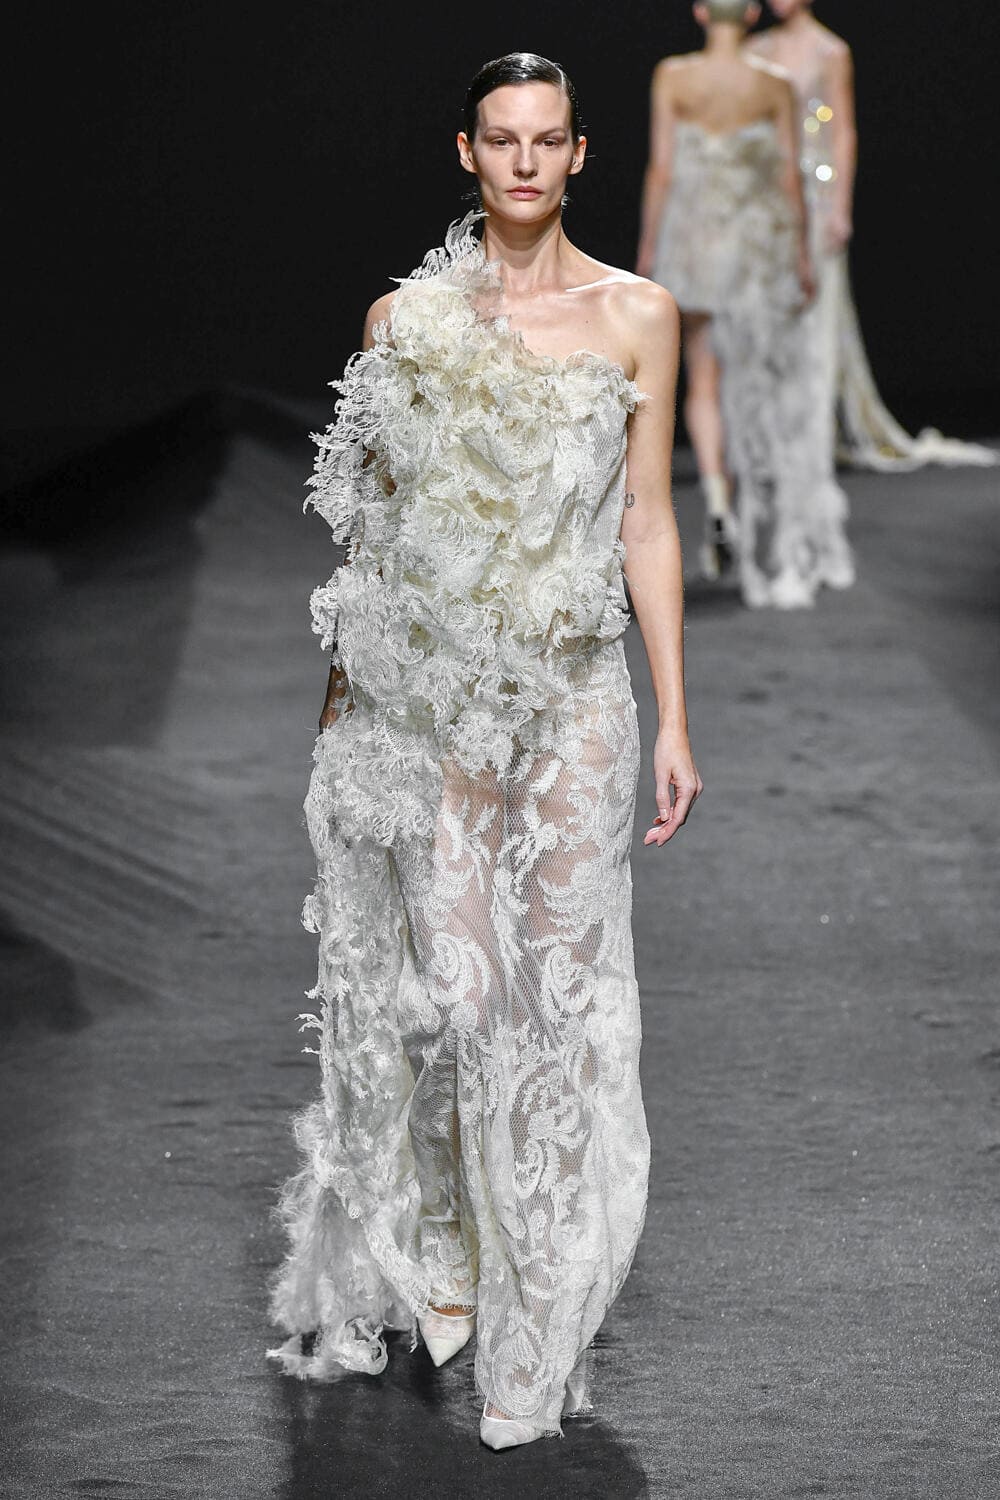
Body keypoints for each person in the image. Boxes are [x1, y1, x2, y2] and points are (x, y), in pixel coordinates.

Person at [266, 53, 702, 1451]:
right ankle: (453, 1256)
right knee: (459, 996)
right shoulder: (406, 323)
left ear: (578, 153)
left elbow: (645, 521)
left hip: (574, 708)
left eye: (546, 140)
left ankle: (540, 1326)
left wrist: (676, 714)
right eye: (500, 140)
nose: (523, 162)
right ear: (467, 151)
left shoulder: (638, 314)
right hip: (435, 711)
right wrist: (343, 710)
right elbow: (378, 537)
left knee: (560, 1009)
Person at [638, 0, 854, 608]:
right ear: (751, 14)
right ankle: (766, 525)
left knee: (702, 383)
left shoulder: (673, 75)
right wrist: (803, 257)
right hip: (753, 252)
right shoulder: (773, 84)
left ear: (701, 13)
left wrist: (648, 252)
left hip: (692, 243)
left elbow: (661, 170)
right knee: (756, 383)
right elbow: (789, 177)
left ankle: (717, 500)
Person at [748, 0, 997, 470]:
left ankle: (813, 439)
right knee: (768, 317)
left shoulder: (829, 51)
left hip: (816, 195)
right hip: (766, 199)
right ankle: (770, 439)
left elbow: (842, 130)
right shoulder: (756, 48)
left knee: (817, 316)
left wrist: (840, 206)